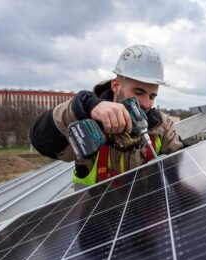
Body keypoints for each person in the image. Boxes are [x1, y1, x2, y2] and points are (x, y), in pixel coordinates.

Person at [30, 45, 183, 188]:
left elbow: (182, 161)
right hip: (92, 210)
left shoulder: (160, 124)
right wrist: (85, 106)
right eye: (138, 92)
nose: (147, 104)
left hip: (144, 212)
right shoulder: (88, 121)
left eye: (152, 96)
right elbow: (42, 141)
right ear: (116, 86)